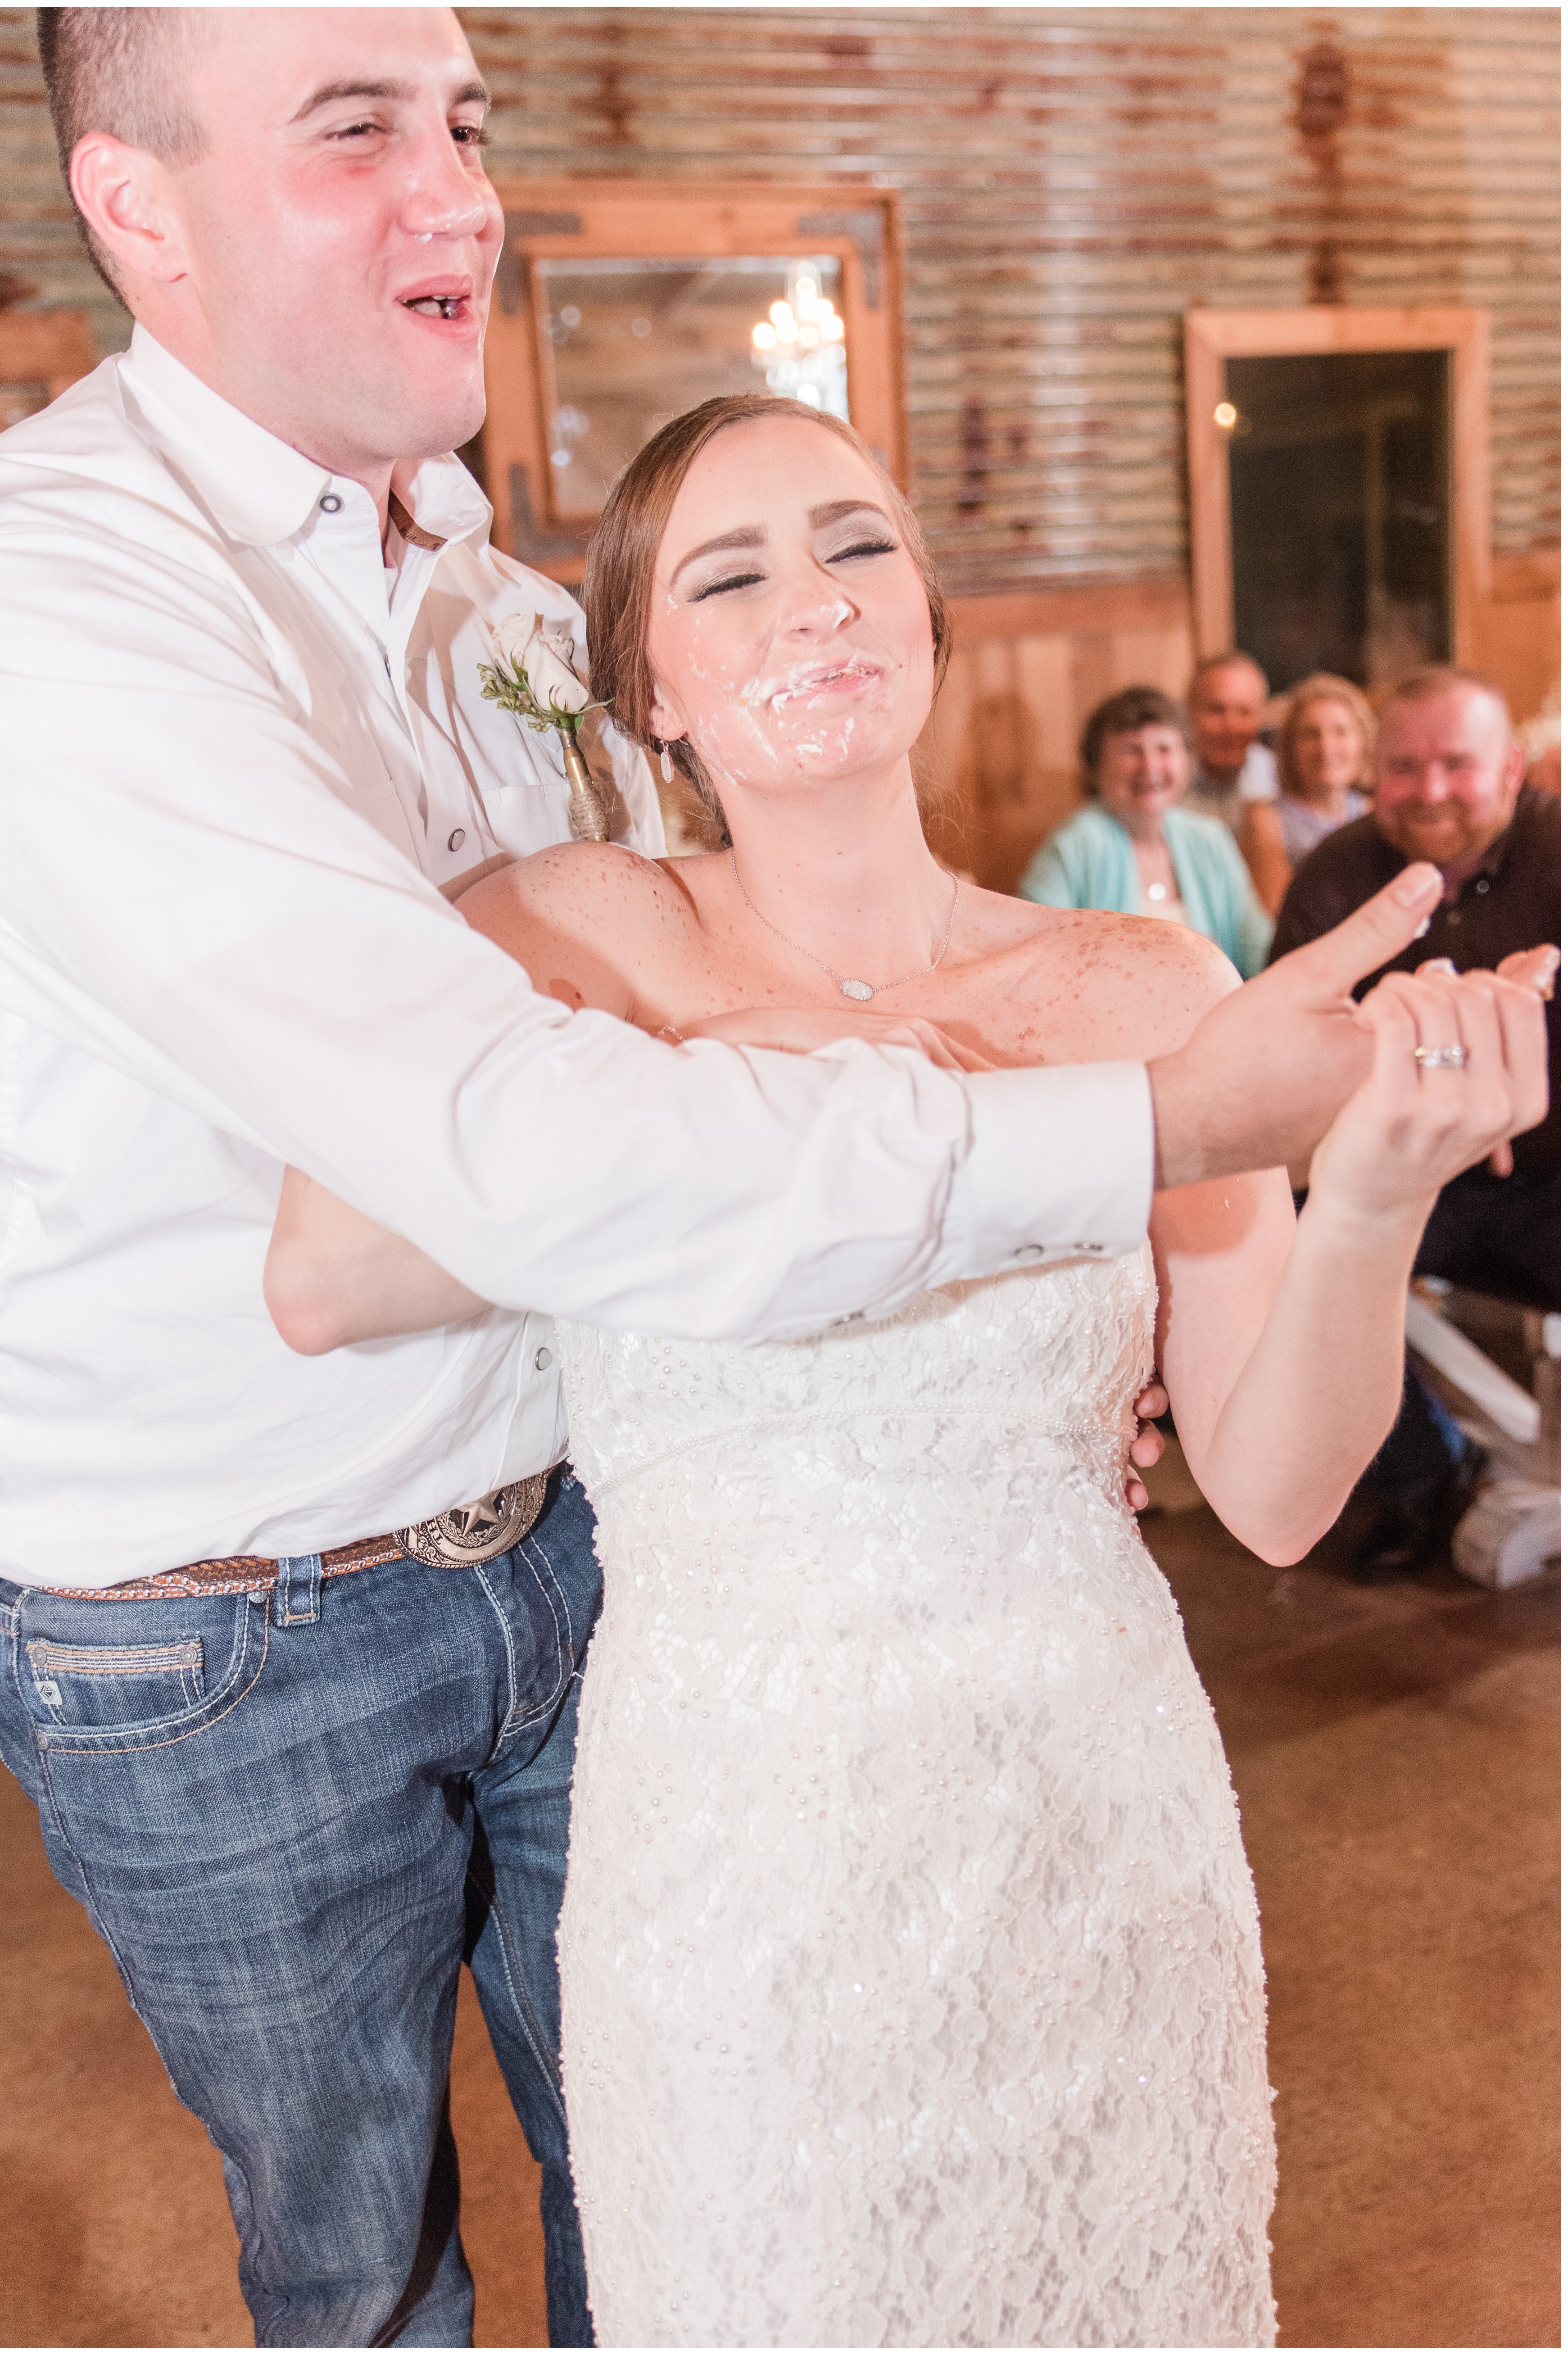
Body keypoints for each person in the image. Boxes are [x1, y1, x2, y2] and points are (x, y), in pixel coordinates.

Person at [0, 12, 1479, 2346]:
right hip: (242, 1608)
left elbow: (1263, 1469)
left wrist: (1295, 1207)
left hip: (773, 1646)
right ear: (137, 206)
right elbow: (460, 1178)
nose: (456, 191)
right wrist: (1137, 1136)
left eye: (467, 124)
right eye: (354, 128)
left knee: (676, 2238)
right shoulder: (90, 605)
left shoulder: (499, 612)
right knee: (356, 2262)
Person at [266, 395, 1550, 2347]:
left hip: (1092, 1825)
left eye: (859, 547)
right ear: (652, 692)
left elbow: (1281, 1494)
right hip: (736, 1851)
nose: (817, 604)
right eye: (732, 573)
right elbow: (327, 1270)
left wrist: (1370, 1192)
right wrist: (816, 1120)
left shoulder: (1131, 989)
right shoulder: (570, 947)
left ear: (931, 615)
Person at [1271, 665, 1560, 1581]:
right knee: (1269, 1250)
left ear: (1510, 767)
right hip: (1406, 1174)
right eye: (1404, 766)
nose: (1429, 791)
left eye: (1455, 764)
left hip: (1551, 1171)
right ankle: (1423, 1473)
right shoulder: (1338, 872)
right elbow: (1291, 1050)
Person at [1017, 684, 1275, 977]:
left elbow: (1257, 949)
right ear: (1095, 765)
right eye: (1131, 750)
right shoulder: (1072, 847)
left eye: (1164, 749)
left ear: (1187, 760)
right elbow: (1032, 959)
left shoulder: (1210, 839)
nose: (1150, 766)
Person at [1241, 670, 1375, 916]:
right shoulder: (1266, 819)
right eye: (1311, 734)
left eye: (1341, 732)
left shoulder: (1374, 813)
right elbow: (1281, 913)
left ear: (1363, 743)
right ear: (1290, 748)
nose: (1326, 747)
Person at [1182, 649, 1280, 832]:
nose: (1231, 726)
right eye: (1217, 710)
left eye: (1245, 712)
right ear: (1190, 712)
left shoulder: (1281, 779)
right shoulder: (1164, 786)